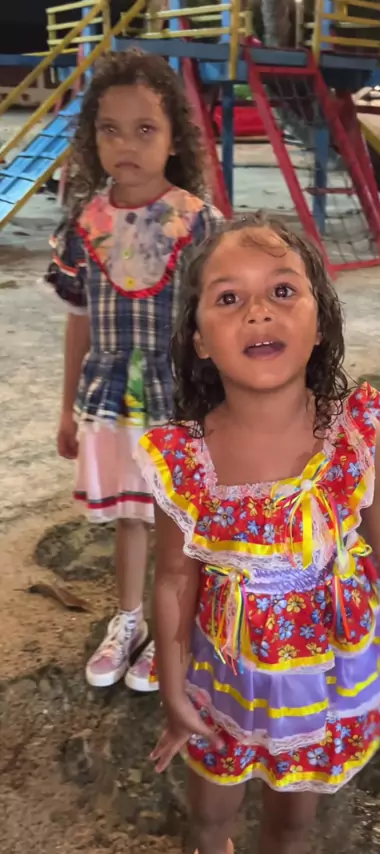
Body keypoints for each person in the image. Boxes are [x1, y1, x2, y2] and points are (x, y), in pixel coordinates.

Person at [137, 213, 380, 854]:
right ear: (199, 339)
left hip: (322, 679)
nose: (259, 312)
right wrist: (172, 687)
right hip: (223, 675)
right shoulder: (183, 464)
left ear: (319, 322)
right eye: (229, 298)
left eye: (282, 290)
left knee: (293, 823)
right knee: (210, 816)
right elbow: (173, 579)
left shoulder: (357, 440)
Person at [45, 50, 223, 693]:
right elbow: (79, 321)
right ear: (93, 139)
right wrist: (68, 408)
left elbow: (221, 321)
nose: (126, 144)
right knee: (130, 515)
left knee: (177, 518)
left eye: (145, 129)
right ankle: (128, 620)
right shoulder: (84, 226)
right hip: (112, 400)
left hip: (181, 400)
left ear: (174, 138)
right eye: (110, 129)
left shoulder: (199, 224)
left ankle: (177, 627)